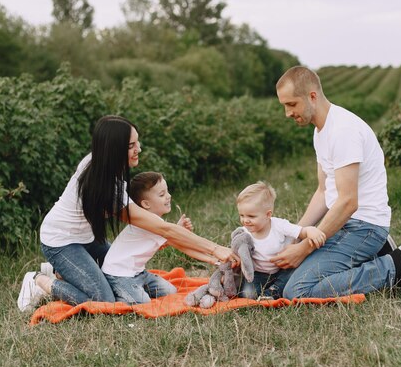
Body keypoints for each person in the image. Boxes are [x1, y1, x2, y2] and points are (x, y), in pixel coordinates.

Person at [17, 115, 237, 312]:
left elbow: (166, 235)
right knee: (104, 299)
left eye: (137, 141)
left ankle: (62, 270)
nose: (138, 149)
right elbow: (164, 229)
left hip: (88, 238)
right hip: (60, 242)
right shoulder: (104, 185)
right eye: (131, 145)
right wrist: (216, 249)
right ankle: (40, 282)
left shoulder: (103, 164)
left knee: (116, 273)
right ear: (113, 149)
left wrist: (212, 256)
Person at [270, 66, 401, 299]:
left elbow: (349, 202)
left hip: (364, 226)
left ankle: (393, 268)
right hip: (343, 224)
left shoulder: (343, 131)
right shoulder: (320, 131)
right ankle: (377, 253)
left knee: (297, 291)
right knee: (281, 280)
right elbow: (323, 191)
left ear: (312, 96)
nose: (287, 113)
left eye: (291, 104)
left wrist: (304, 249)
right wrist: (297, 235)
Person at [102, 171, 218, 304]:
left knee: (170, 291)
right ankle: (117, 292)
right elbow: (182, 245)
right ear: (146, 204)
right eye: (162, 194)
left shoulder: (154, 223)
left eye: (167, 192)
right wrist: (213, 260)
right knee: (141, 302)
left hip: (139, 273)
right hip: (119, 275)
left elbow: (164, 240)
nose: (168, 196)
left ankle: (136, 289)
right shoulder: (150, 225)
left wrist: (178, 228)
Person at [236, 181, 326, 299]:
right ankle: (261, 293)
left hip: (281, 270)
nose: (245, 220)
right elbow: (237, 251)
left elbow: (299, 231)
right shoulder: (244, 232)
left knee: (292, 274)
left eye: (251, 216)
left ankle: (273, 292)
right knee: (247, 295)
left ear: (268, 215)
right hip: (257, 273)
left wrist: (309, 231)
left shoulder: (279, 225)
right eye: (242, 215)